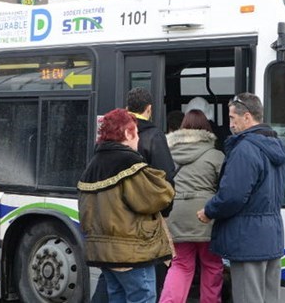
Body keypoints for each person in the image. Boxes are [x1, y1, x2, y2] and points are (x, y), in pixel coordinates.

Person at [196, 93, 285, 303]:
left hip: (248, 240)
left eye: (232, 118)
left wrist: (209, 211)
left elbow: (232, 196)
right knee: (269, 298)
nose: (230, 124)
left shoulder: (245, 149)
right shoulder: (278, 146)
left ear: (247, 117)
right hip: (272, 236)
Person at [77, 108, 175, 303]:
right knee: (142, 297)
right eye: (136, 133)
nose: (138, 139)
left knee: (117, 297)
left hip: (103, 252)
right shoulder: (129, 163)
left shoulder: (93, 164)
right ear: (127, 133)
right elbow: (159, 197)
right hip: (131, 252)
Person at [159, 109, 225, 303]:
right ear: (207, 129)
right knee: (212, 264)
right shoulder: (216, 155)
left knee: (181, 265)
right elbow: (225, 188)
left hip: (176, 216)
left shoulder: (167, 153)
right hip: (205, 217)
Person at [126, 87, 176, 299]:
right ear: (149, 109)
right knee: (151, 278)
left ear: (128, 108)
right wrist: (165, 212)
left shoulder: (117, 134)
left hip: (119, 217)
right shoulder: (154, 136)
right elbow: (166, 178)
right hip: (147, 218)